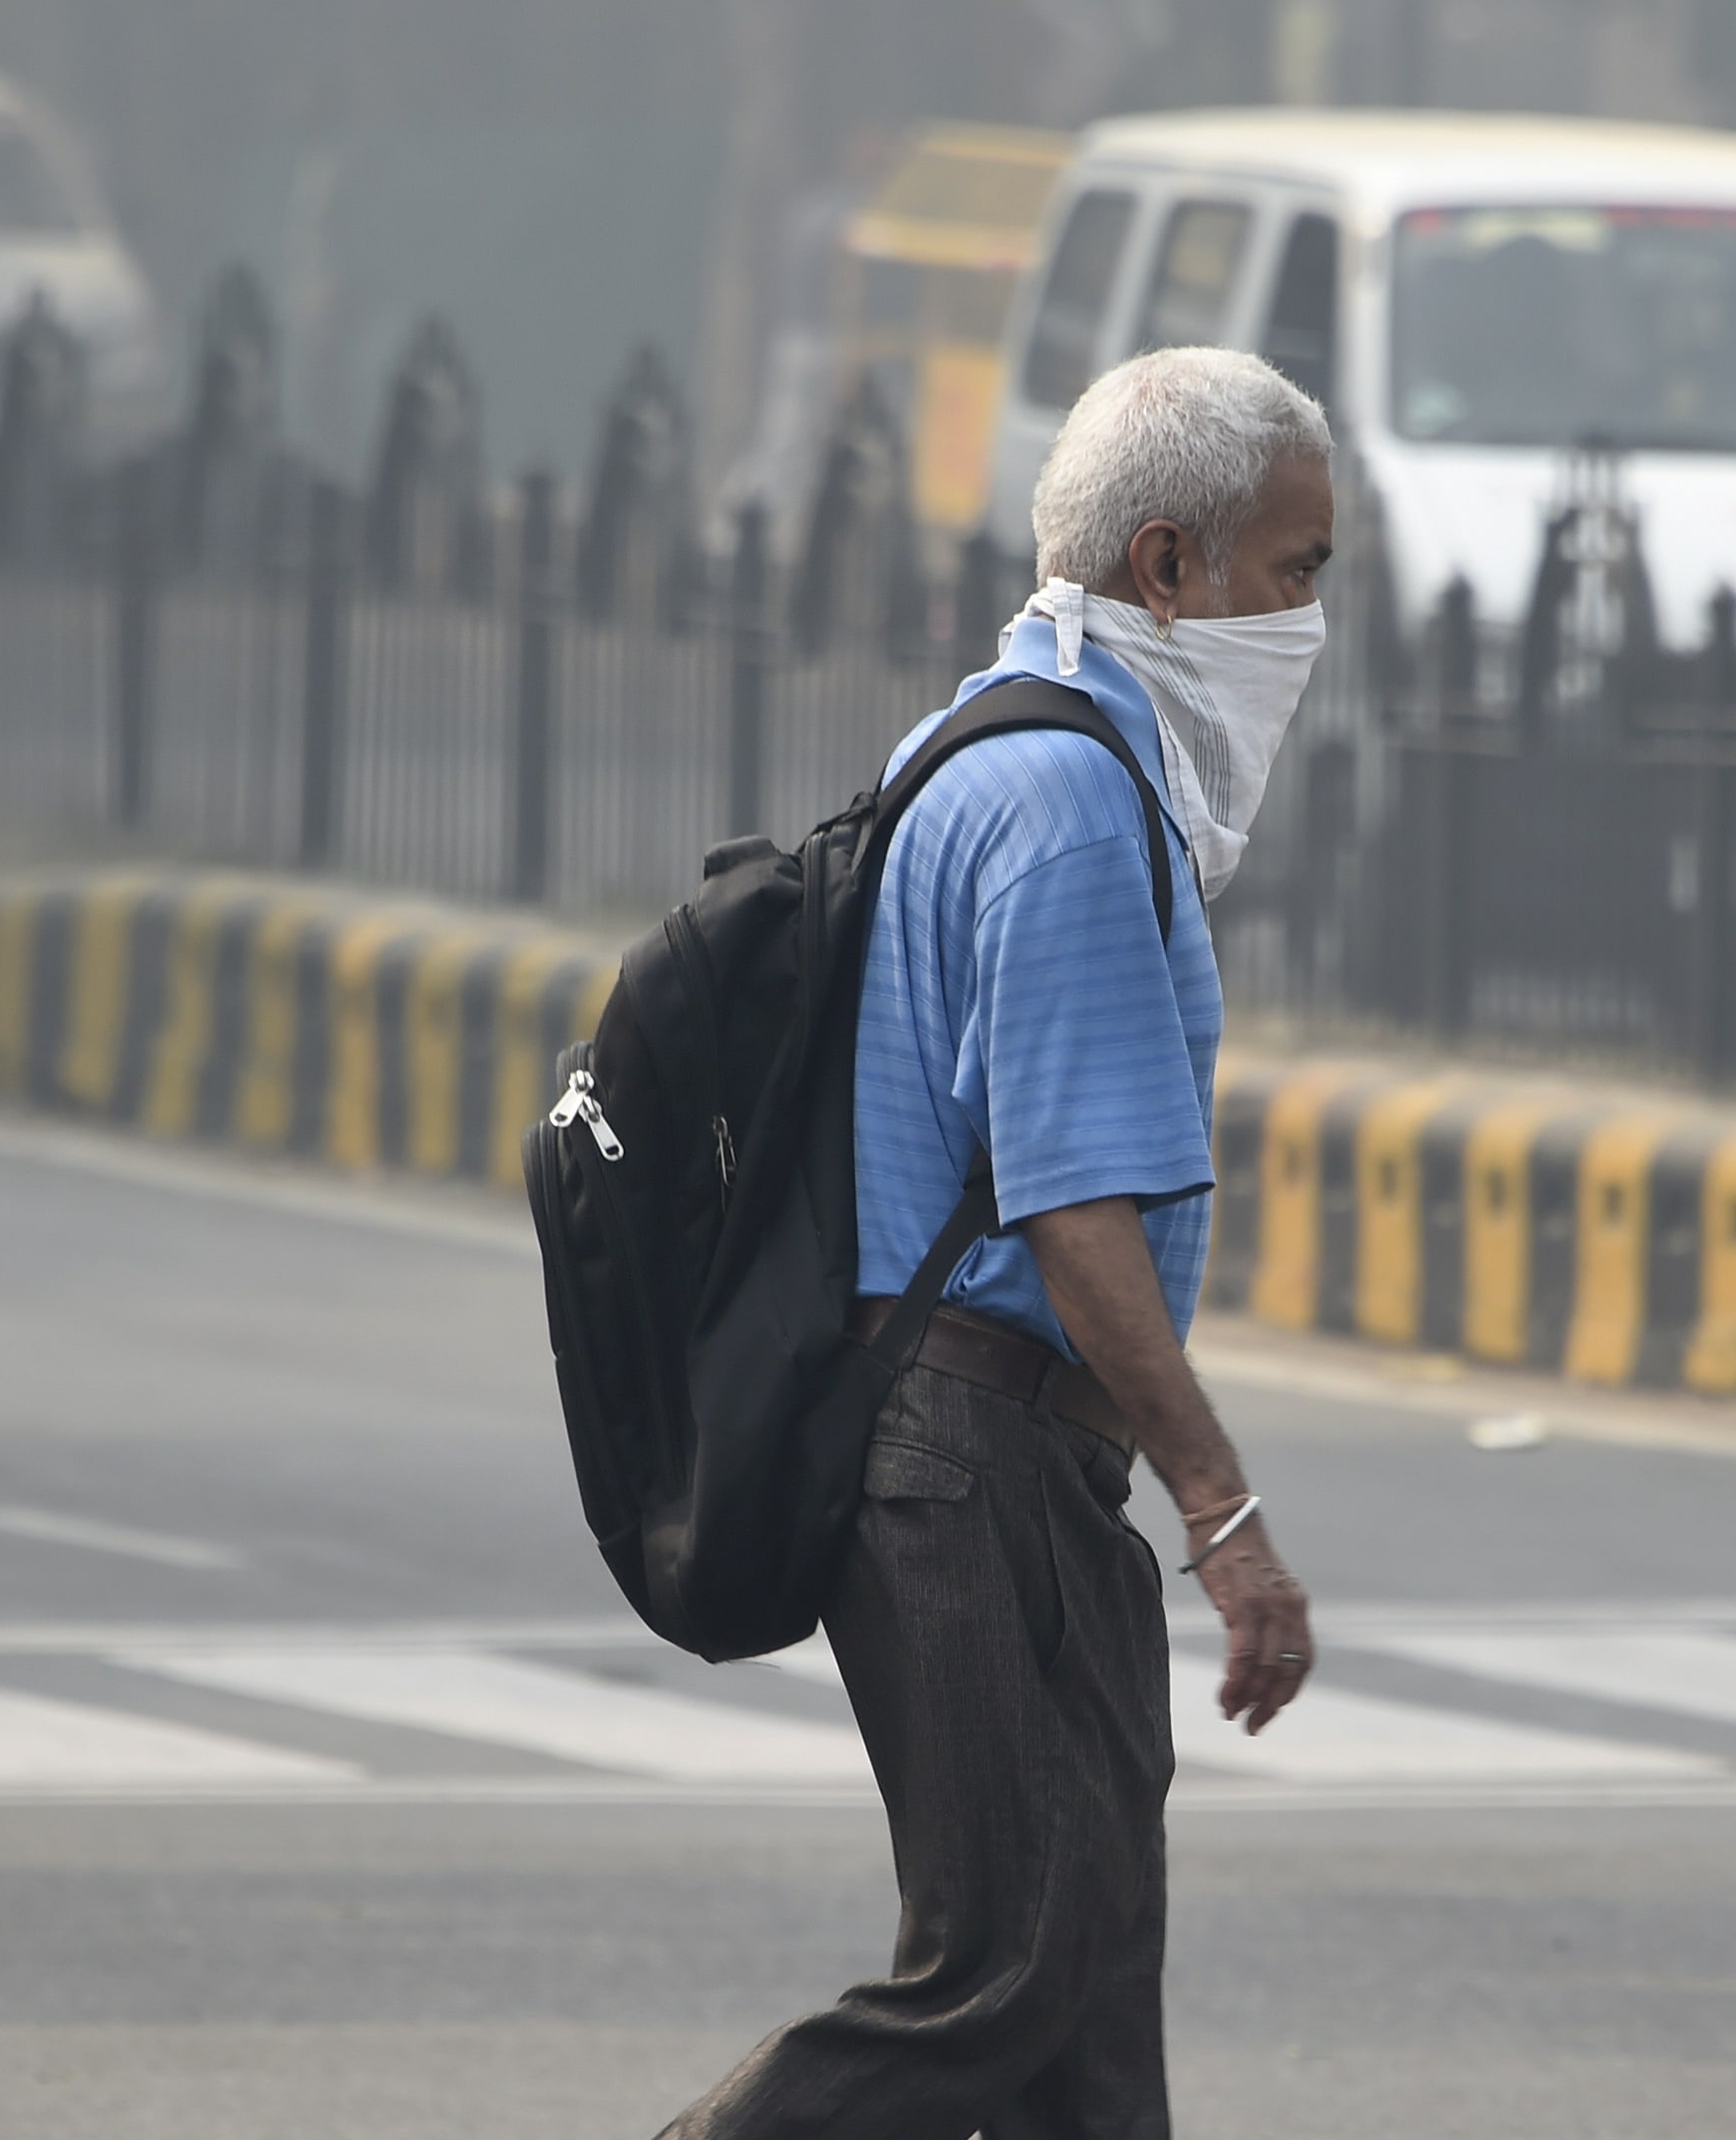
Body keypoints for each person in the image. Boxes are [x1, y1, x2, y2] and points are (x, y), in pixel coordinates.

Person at [667, 346, 1332, 2140]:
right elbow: (1071, 1205)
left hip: (1010, 1457)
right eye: (1295, 571)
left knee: (1095, 1992)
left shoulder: (992, 738)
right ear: (1170, 566)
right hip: (966, 1449)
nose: (1307, 619)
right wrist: (1228, 1515)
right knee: (1008, 1963)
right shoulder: (1063, 806)